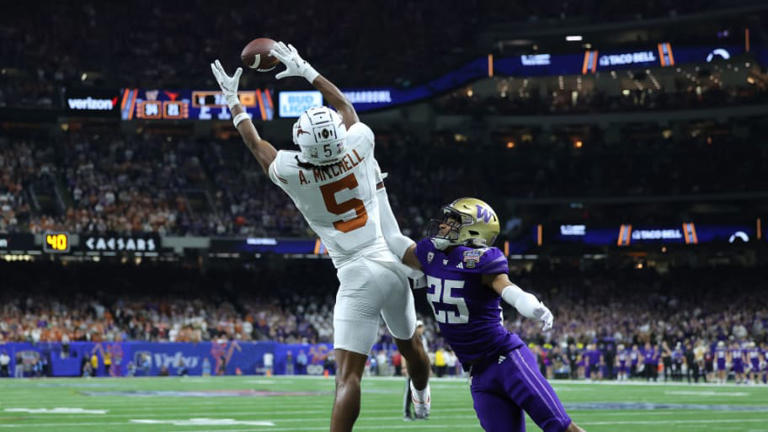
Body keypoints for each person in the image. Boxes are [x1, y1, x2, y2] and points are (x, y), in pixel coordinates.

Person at [210, 41, 431, 432]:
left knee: (348, 378)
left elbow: (256, 145)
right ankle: (421, 395)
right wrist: (305, 69)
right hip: (390, 265)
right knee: (411, 345)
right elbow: (346, 107)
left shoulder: (293, 170)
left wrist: (234, 102)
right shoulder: (361, 144)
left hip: (356, 276)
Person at [398, 197, 584, 432]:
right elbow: (396, 245)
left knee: (561, 428)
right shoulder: (432, 254)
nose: (444, 224)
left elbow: (510, 291)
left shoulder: (483, 260)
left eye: (454, 220)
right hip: (478, 375)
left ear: (474, 228)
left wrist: (531, 305)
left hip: (507, 360)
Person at [402, 320, 430, 421]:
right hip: (413, 368)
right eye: (418, 327)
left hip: (422, 369)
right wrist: (405, 367)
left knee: (423, 392)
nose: (420, 329)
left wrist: (428, 369)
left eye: (421, 327)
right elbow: (405, 354)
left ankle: (420, 414)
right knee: (409, 392)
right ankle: (406, 414)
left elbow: (426, 355)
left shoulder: (424, 339)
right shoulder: (411, 339)